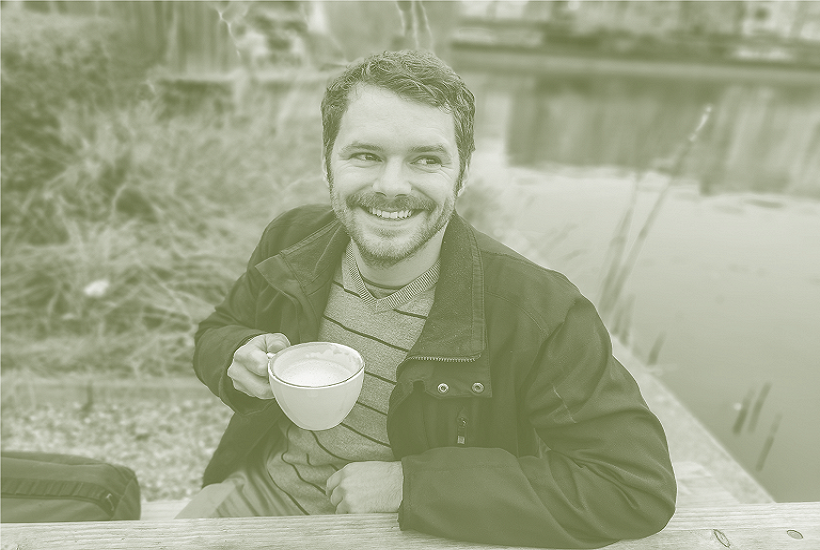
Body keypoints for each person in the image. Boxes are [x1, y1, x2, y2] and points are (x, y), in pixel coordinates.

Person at [181, 50, 677, 548]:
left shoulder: (538, 312)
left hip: (420, 530)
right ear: (328, 161)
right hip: (260, 499)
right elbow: (218, 328)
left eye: (426, 159)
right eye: (366, 155)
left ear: (460, 173)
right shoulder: (291, 241)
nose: (392, 187)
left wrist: (414, 484)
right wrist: (234, 357)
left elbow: (634, 487)